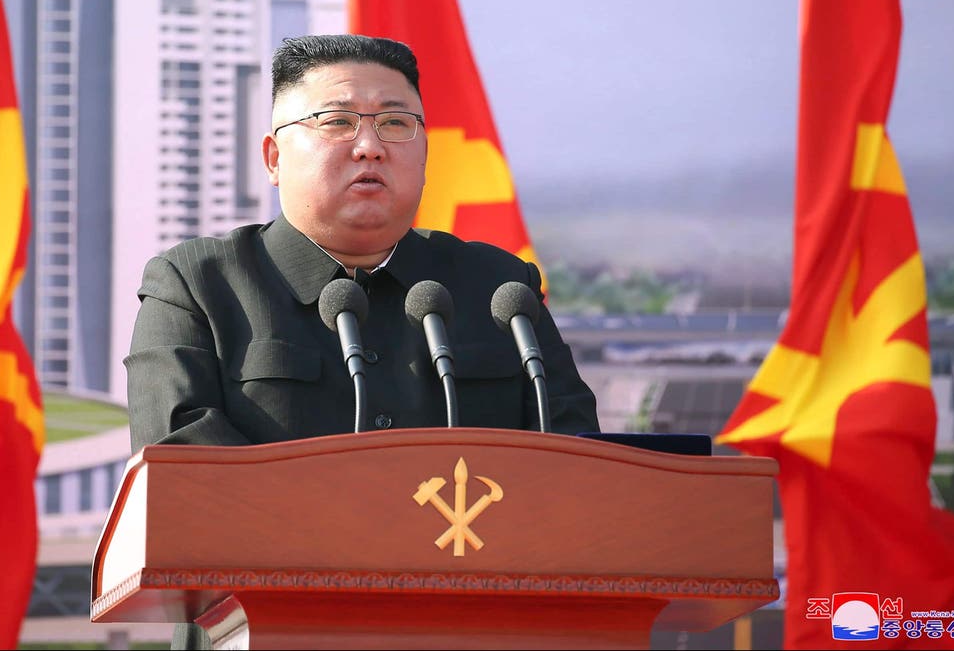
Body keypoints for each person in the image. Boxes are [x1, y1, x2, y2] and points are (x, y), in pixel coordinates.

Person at [125, 34, 599, 647]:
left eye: (397, 124)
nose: (370, 146)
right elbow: (181, 462)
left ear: (425, 151)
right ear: (273, 156)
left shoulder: (500, 288)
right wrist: (388, 523)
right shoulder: (197, 283)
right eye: (336, 121)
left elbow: (580, 457)